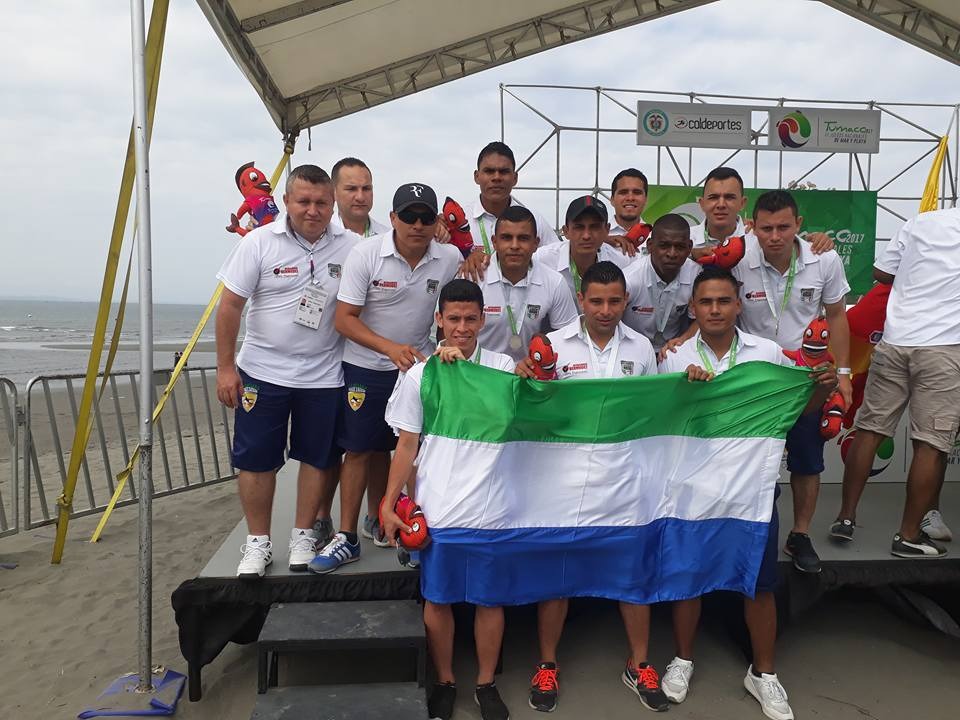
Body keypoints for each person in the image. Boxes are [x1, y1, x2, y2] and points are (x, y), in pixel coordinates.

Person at [659, 265, 837, 720]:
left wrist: (822, 389)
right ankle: (682, 659)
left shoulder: (769, 353)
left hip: (750, 488)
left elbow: (801, 408)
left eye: (723, 301)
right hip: (691, 487)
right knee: (688, 578)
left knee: (758, 585)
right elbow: (661, 418)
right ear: (693, 308)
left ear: (738, 305)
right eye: (706, 302)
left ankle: (764, 674)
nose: (715, 309)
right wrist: (683, 390)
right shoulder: (673, 357)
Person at [516, 261, 663, 713]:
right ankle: (546, 664)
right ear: (580, 300)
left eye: (615, 301)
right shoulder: (552, 346)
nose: (605, 310)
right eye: (596, 300)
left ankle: (639, 664)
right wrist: (526, 382)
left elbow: (655, 415)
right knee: (556, 583)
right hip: (563, 485)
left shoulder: (642, 349)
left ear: (626, 301)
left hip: (623, 484)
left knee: (632, 580)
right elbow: (533, 410)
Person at [214, 164, 360, 578]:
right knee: (256, 461)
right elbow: (230, 307)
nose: (312, 210)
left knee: (316, 458)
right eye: (304, 201)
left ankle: (303, 534)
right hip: (262, 373)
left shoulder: (352, 246)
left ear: (333, 204)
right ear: (287, 202)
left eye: (321, 202)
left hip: (324, 375)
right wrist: (226, 368)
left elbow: (397, 254)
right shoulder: (259, 243)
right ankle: (258, 543)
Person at [309, 183, 462, 574]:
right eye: (408, 216)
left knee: (415, 451)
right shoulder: (366, 253)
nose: (417, 224)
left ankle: (412, 527)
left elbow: (453, 308)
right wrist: (389, 348)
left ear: (436, 223)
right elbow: (344, 320)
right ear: (392, 218)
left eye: (426, 217)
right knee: (357, 450)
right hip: (365, 367)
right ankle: (347, 536)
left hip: (416, 370)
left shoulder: (448, 257)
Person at [381, 279, 515, 720]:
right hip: (438, 506)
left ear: (483, 319)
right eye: (452, 318)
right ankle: (444, 680)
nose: (461, 327)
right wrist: (388, 501)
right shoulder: (421, 373)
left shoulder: (501, 368)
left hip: (492, 506)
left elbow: (541, 405)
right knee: (438, 599)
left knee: (488, 600)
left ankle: (486, 683)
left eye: (469, 319)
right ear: (438, 320)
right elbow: (406, 444)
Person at [731, 190, 852, 574]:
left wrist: (845, 374)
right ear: (753, 225)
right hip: (755, 377)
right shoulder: (739, 258)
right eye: (765, 228)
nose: (774, 236)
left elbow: (836, 315)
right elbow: (711, 298)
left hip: (805, 377)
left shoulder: (825, 258)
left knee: (807, 458)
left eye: (784, 226)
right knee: (747, 457)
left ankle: (800, 534)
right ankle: (743, 526)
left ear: (799, 224)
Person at [832, 207, 960, 557]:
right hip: (945, 347)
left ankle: (845, 517)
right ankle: (907, 537)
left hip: (895, 340)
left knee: (869, 429)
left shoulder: (922, 220)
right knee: (930, 443)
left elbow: (880, 272)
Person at [475, 205, 579, 362]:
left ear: (536, 243)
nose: (515, 245)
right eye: (507, 238)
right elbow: (452, 334)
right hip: (483, 374)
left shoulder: (554, 282)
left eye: (523, 238)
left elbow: (567, 340)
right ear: (494, 242)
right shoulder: (474, 277)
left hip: (530, 375)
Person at [622, 214, 700, 354]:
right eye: (664, 246)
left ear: (689, 248)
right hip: (630, 350)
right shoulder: (629, 279)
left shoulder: (696, 276)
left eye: (680, 247)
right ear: (650, 245)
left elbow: (704, 318)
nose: (672, 253)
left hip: (674, 350)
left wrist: (682, 340)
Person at [534, 196, 632, 307]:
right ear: (566, 231)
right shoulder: (541, 259)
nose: (586, 236)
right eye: (579, 227)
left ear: (607, 230)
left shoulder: (622, 264)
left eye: (594, 227)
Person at [466, 141, 559, 254]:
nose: (496, 177)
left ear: (515, 178)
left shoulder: (534, 220)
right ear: (477, 176)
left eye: (503, 172)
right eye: (489, 171)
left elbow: (556, 258)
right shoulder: (461, 220)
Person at [329, 157, 391, 237]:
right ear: (334, 192)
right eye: (351, 189)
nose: (360, 197)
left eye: (366, 189)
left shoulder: (388, 238)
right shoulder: (319, 237)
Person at [606, 168, 650, 257]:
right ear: (612, 199)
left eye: (637, 192)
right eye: (623, 192)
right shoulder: (597, 237)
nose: (630, 198)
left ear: (646, 200)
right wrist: (602, 240)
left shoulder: (656, 237)